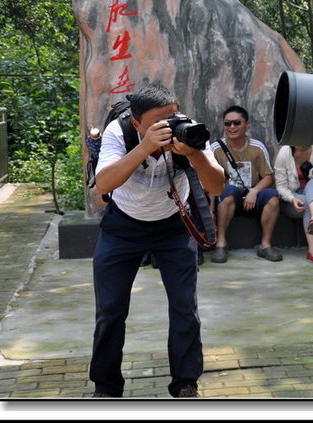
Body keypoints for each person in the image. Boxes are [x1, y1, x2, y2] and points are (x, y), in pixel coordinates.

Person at [90, 83, 225, 398]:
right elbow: (103, 184)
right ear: (137, 124)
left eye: (173, 116)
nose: (169, 126)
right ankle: (106, 388)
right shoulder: (118, 132)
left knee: (184, 307)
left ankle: (185, 383)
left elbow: (217, 186)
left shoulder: (188, 130)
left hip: (173, 227)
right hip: (123, 226)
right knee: (110, 309)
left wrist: (194, 154)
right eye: (157, 123)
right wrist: (144, 147)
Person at [209, 105, 283, 263]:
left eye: (237, 123)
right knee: (228, 190)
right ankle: (221, 243)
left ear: (246, 125)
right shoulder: (216, 149)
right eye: (227, 124)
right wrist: (210, 208)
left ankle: (265, 245)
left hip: (253, 197)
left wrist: (254, 191)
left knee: (273, 197)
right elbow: (210, 180)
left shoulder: (257, 147)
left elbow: (268, 177)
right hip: (228, 199)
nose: (232, 127)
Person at [274, 145, 313, 265]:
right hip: (290, 199)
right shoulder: (285, 152)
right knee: (309, 203)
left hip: (311, 194)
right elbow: (280, 187)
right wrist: (292, 199)